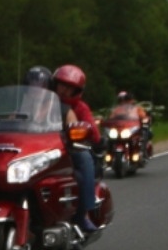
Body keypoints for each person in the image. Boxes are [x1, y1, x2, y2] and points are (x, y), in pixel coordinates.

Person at [52, 64, 101, 233]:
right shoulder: (42, 103)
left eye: (70, 88)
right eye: (62, 85)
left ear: (77, 91)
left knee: (84, 156)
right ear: (55, 84)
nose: (64, 90)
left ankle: (84, 213)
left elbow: (95, 135)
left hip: (71, 149)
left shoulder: (80, 107)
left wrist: (83, 130)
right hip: (45, 148)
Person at [110, 90, 153, 158]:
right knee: (110, 138)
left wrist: (145, 120)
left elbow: (143, 117)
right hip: (121, 129)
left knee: (143, 134)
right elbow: (111, 118)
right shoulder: (118, 109)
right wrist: (107, 122)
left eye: (129, 100)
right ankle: (110, 154)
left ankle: (142, 151)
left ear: (133, 100)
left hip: (133, 129)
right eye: (127, 100)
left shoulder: (137, 109)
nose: (128, 102)